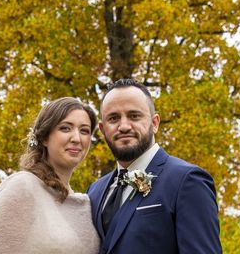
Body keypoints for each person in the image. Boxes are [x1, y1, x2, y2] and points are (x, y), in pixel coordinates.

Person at [87, 79, 222, 254]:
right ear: (103, 130)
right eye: (114, 118)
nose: (124, 126)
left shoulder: (187, 181)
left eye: (134, 116)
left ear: (155, 123)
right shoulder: (94, 192)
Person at [0, 97, 100, 254]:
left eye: (84, 131)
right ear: (45, 137)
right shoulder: (22, 186)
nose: (77, 138)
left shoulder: (85, 203)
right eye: (65, 128)